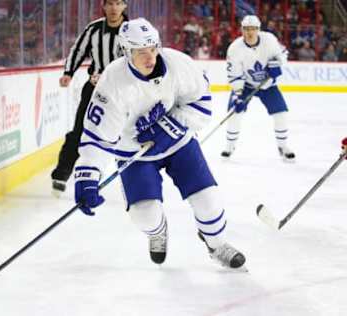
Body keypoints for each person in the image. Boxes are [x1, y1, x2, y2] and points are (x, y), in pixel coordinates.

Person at [73, 18, 246, 269]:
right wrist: (88, 175)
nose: (150, 57)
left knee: (209, 201)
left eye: (153, 48)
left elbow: (201, 102)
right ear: (126, 51)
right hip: (134, 152)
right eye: (141, 52)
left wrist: (171, 126)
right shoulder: (112, 82)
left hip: (178, 142)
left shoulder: (178, 63)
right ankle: (157, 232)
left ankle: (216, 245)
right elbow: (98, 136)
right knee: (145, 215)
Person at [51, 0, 128, 196]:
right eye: (109, 3)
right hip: (94, 90)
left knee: (130, 133)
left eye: (118, 3)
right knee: (79, 131)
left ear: (124, 6)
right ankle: (61, 174)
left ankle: (135, 179)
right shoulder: (93, 29)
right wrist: (69, 72)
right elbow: (77, 50)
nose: (113, 8)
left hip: (125, 91)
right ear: (104, 6)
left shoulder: (131, 31)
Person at [222, 15, 295, 162]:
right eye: (246, 29)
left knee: (281, 114)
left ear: (258, 30)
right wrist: (237, 96)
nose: (250, 33)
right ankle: (230, 147)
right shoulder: (235, 48)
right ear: (242, 30)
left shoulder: (270, 40)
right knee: (234, 113)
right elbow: (234, 75)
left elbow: (283, 54)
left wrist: (277, 65)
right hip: (246, 86)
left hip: (268, 85)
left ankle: (283, 146)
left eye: (253, 29)